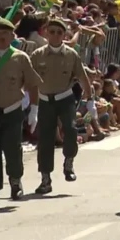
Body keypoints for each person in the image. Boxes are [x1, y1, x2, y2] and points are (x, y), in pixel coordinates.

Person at [0, 19, 43, 209]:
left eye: (5, 33)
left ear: (12, 36)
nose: (0, 36)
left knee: (12, 149)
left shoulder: (20, 57)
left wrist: (34, 110)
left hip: (12, 111)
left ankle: (15, 182)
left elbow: (32, 84)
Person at [30, 18, 93, 195]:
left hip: (65, 98)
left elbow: (82, 77)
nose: (56, 36)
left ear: (64, 35)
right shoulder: (38, 55)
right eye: (52, 32)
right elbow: (29, 80)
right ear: (46, 33)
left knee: (71, 130)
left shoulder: (71, 55)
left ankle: (69, 161)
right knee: (45, 139)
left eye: (59, 32)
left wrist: (90, 99)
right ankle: (45, 178)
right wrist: (31, 105)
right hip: (45, 100)